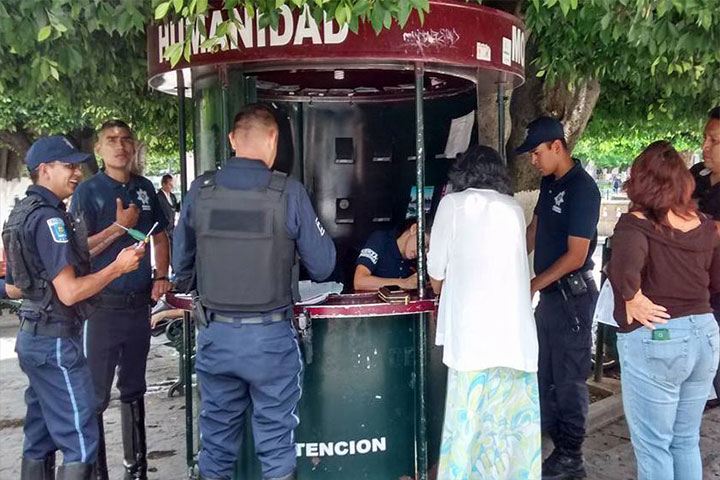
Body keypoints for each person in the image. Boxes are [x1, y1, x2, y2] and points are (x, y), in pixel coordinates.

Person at [173, 103, 336, 480]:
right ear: (274, 138)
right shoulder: (287, 192)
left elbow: (182, 268)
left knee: (215, 447)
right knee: (276, 446)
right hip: (270, 340)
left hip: (216, 336)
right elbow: (324, 265)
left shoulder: (201, 190)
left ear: (232, 139)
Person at [2, 136, 144, 480]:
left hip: (32, 337)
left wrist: (116, 231)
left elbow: (19, 286)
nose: (77, 173)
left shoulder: (22, 213)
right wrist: (117, 269)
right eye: (68, 166)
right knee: (80, 439)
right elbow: (69, 292)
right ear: (44, 170)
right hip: (55, 342)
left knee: (39, 437)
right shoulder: (49, 220)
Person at [608, 141, 720, 480]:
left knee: (654, 446)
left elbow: (623, 270)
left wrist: (631, 295)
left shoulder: (635, 224)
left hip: (660, 337)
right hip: (705, 336)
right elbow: (715, 280)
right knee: (685, 440)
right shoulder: (704, 224)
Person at [427, 145, 540, 479]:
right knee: (505, 429)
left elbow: (435, 273)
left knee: (467, 426)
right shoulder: (513, 208)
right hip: (514, 339)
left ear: (463, 173)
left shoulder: (452, 205)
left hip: (471, 339)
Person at [70, 120, 171, 480]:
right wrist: (118, 227)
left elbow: (160, 235)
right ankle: (98, 472)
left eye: (126, 139)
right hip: (100, 306)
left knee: (134, 388)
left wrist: (161, 276)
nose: (120, 146)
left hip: (138, 304)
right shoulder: (88, 191)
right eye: (111, 140)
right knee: (95, 395)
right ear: (99, 148)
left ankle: (136, 469)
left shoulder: (144, 188)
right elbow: (78, 250)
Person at [520, 116, 601, 479]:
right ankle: (557, 448)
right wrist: (509, 268)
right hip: (551, 298)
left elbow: (577, 255)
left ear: (557, 146)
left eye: (537, 153)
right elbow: (534, 230)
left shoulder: (583, 189)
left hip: (573, 299)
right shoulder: (549, 183)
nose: (533, 160)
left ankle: (572, 455)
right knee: (545, 375)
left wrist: (534, 283)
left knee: (569, 380)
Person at [690, 106, 720, 407]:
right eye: (705, 138)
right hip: (692, 291)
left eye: (714, 140)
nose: (705, 146)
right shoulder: (696, 175)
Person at [353, 218, 425, 291]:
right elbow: (359, 281)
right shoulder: (381, 240)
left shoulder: (418, 260)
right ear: (414, 229)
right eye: (424, 245)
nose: (424, 252)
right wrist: (404, 283)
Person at [157, 174, 180, 254]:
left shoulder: (172, 196)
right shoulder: (158, 197)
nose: (172, 187)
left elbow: (175, 208)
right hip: (164, 228)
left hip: (172, 227)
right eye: (170, 185)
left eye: (172, 184)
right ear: (164, 184)